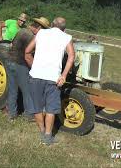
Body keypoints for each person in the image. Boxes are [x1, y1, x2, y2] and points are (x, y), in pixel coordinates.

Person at [24, 17, 75, 145]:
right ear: (64, 28)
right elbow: (72, 56)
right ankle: (48, 136)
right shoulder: (66, 37)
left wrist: (34, 67)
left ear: (52, 24)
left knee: (37, 107)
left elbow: (27, 52)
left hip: (35, 76)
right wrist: (63, 75)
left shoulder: (41, 33)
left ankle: (42, 131)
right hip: (53, 78)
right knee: (51, 109)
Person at [6, 17, 50, 121]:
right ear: (38, 27)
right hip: (20, 64)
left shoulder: (22, 31)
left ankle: (12, 114)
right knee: (28, 91)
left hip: (10, 61)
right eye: (42, 30)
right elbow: (31, 54)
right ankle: (29, 115)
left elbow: (12, 44)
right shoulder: (31, 37)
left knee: (13, 90)